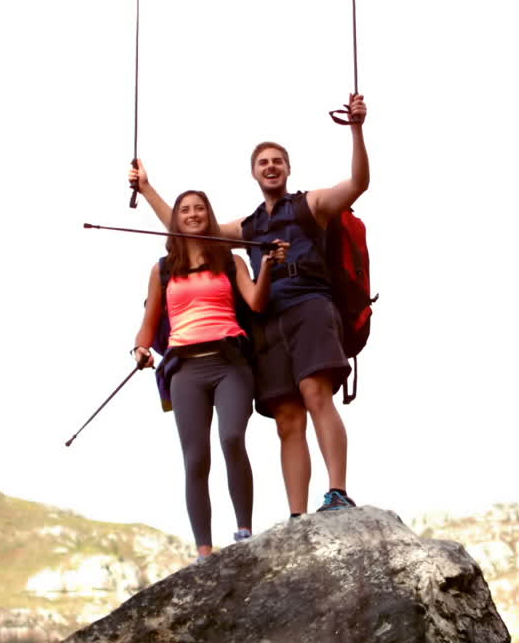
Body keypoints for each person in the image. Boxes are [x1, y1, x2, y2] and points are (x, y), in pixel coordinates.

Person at [135, 94, 370, 518]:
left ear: (288, 167)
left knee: (316, 393)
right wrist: (147, 188)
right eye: (263, 162)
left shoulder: (311, 205)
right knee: (285, 415)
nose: (271, 167)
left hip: (310, 306)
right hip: (268, 320)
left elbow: (357, 185)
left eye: (277, 160)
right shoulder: (247, 226)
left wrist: (356, 130)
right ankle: (298, 514)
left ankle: (337, 491)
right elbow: (193, 232)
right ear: (253, 173)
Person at [130, 187, 287, 559]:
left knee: (232, 438)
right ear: (177, 219)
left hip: (230, 361)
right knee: (195, 456)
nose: (193, 214)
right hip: (184, 368)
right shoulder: (163, 270)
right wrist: (139, 349)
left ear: (209, 215)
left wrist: (266, 267)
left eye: (200, 208)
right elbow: (148, 325)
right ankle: (203, 549)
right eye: (185, 210)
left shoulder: (230, 259)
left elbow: (256, 301)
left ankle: (244, 531)